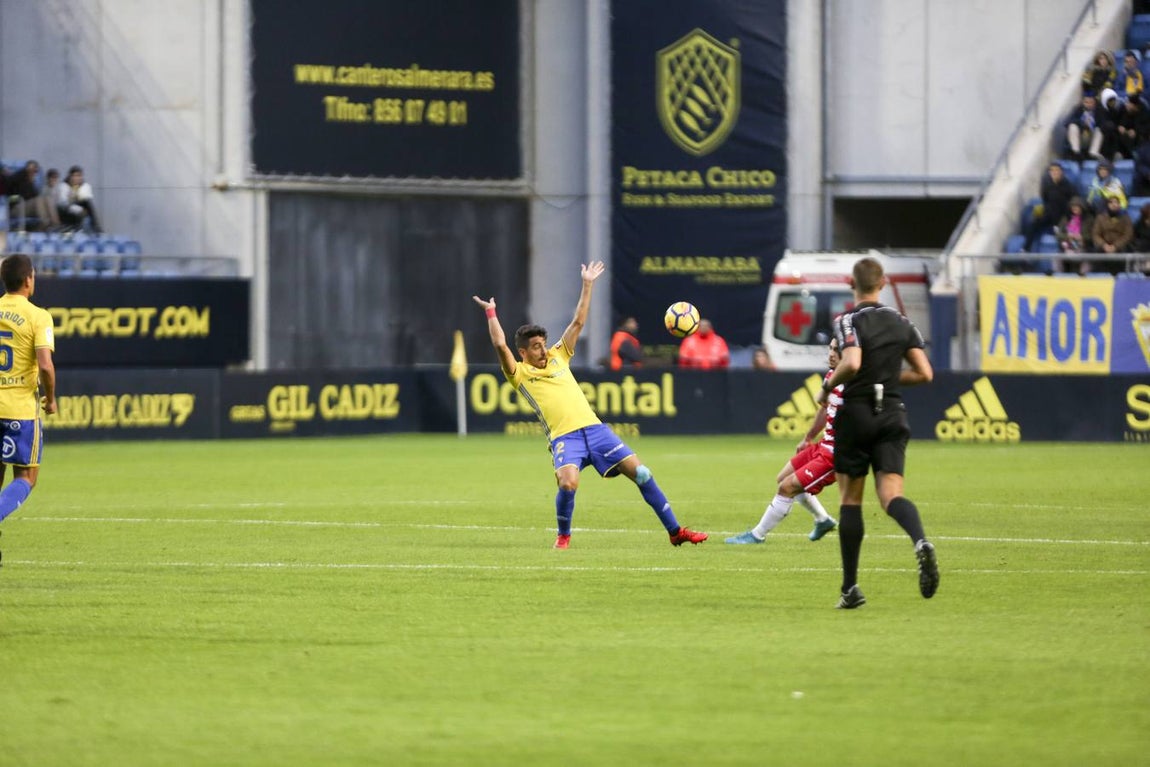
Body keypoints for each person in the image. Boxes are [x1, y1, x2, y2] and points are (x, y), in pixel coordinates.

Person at [472, 262, 707, 549]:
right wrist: (491, 313)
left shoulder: (559, 355)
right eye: (535, 346)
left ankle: (675, 531)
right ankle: (564, 536)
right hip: (564, 437)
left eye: (543, 343)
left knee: (642, 473)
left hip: (595, 430)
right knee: (568, 483)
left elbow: (578, 322)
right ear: (523, 352)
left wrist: (588, 283)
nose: (543, 349)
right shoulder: (519, 373)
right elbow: (499, 345)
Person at [818, 256, 936, 609]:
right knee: (891, 496)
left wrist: (827, 388)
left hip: (857, 413)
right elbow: (925, 373)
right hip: (893, 415)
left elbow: (852, 363)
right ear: (883, 282)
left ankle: (850, 588)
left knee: (850, 500)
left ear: (850, 283)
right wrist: (885, 378)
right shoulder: (903, 322)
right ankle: (920, 542)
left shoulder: (848, 320)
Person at [726, 337, 841, 545]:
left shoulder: (855, 382)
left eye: (837, 350)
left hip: (836, 453)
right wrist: (808, 438)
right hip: (823, 444)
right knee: (783, 478)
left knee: (787, 488)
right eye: (830, 348)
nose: (831, 354)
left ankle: (757, 535)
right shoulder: (832, 376)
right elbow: (824, 408)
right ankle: (822, 519)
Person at [0, 254, 57, 564]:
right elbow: (46, 366)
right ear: (28, 280)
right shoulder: (38, 316)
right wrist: (51, 399)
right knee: (26, 478)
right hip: (20, 409)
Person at [1022, 162, 1077, 252]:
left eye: (1057, 170)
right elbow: (1045, 198)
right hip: (1048, 211)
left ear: (1061, 172)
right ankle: (1025, 249)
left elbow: (1072, 201)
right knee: (1033, 220)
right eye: (1052, 170)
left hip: (1062, 214)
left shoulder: (1068, 185)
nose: (1054, 172)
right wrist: (1040, 212)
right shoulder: (1046, 182)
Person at [1087, 194, 1134, 274]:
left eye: (1116, 202)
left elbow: (1128, 235)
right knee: (1095, 254)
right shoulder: (1100, 218)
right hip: (1104, 246)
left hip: (1120, 246)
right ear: (1107, 205)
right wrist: (1104, 245)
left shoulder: (1125, 218)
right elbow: (1095, 234)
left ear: (1119, 205)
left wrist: (1115, 246)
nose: (1114, 205)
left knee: (1125, 254)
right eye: (1111, 202)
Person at [1063, 92, 1111, 163]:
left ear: (1094, 102)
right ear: (1083, 102)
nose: (1088, 104)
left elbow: (1104, 124)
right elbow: (1068, 122)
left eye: (1091, 102)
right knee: (1072, 126)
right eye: (1086, 102)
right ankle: (1076, 152)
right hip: (1081, 137)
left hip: (1093, 137)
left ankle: (1093, 153)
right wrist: (1082, 123)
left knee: (1099, 130)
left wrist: (1092, 124)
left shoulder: (1100, 110)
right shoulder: (1079, 110)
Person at [6, 160, 53, 232]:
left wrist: (31, 182)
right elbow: (9, 195)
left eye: (35, 171)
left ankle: (55, 224)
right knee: (38, 200)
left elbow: (34, 196)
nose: (34, 173)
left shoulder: (31, 183)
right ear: (26, 169)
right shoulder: (17, 178)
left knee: (47, 199)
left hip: (28, 207)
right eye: (31, 170)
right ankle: (44, 223)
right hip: (15, 208)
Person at [56, 165, 102, 233]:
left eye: (79, 176)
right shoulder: (63, 186)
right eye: (75, 176)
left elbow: (85, 199)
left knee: (87, 202)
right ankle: (73, 227)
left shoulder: (84, 186)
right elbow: (63, 203)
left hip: (78, 210)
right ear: (70, 177)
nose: (77, 178)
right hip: (65, 212)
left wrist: (76, 192)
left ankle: (95, 226)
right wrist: (79, 210)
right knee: (69, 207)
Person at [1055, 196, 1093, 261]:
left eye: (1077, 206)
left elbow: (1092, 235)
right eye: (1073, 206)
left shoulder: (1089, 220)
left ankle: (1082, 271)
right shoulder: (1066, 219)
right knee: (1057, 257)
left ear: (1082, 207)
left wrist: (1082, 237)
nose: (1074, 208)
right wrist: (1067, 236)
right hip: (1067, 246)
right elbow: (1058, 234)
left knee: (1084, 257)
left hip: (1083, 246)